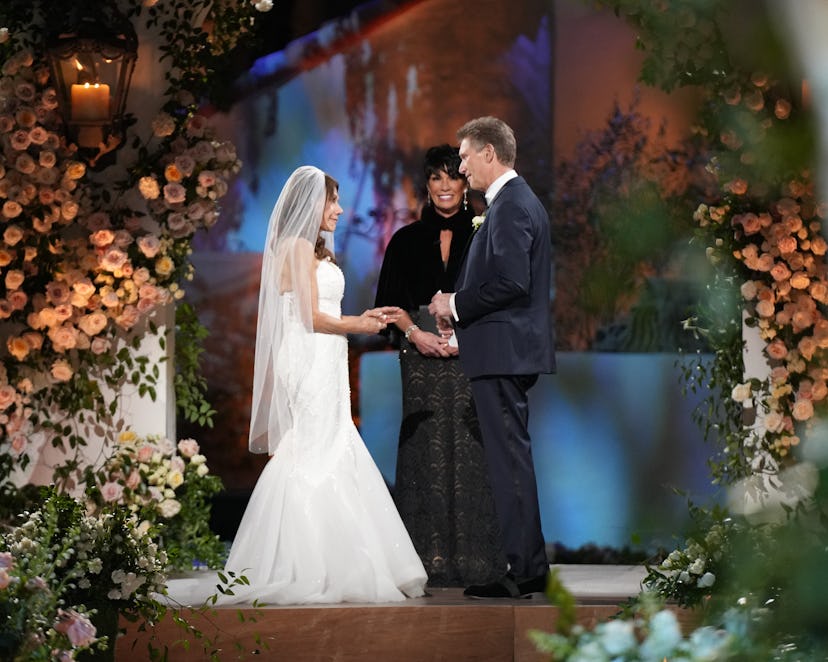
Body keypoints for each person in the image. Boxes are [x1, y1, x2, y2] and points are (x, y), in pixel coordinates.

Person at [220, 165, 427, 604]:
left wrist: (354, 326)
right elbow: (307, 317)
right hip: (309, 355)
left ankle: (339, 561)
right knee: (312, 449)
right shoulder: (295, 246)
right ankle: (304, 564)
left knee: (333, 441)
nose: (339, 209)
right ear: (313, 203)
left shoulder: (313, 250)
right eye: (333, 201)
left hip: (327, 355)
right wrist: (362, 323)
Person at [429, 117, 555, 599]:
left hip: (505, 354)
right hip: (503, 351)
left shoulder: (511, 206)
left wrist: (453, 303)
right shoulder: (511, 203)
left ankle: (524, 570)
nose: (459, 167)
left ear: (488, 153)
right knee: (511, 461)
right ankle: (527, 565)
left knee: (509, 463)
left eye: (463, 157)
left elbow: (511, 282)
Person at [374, 145, 505, 587]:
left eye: (453, 176)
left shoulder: (485, 235)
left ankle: (478, 563)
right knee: (423, 457)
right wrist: (417, 334)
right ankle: (422, 563)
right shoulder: (405, 239)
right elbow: (386, 307)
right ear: (426, 185)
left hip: (475, 358)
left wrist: (463, 338)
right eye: (436, 177)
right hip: (420, 359)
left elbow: (501, 297)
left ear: (466, 183)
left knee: (473, 454)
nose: (446, 185)